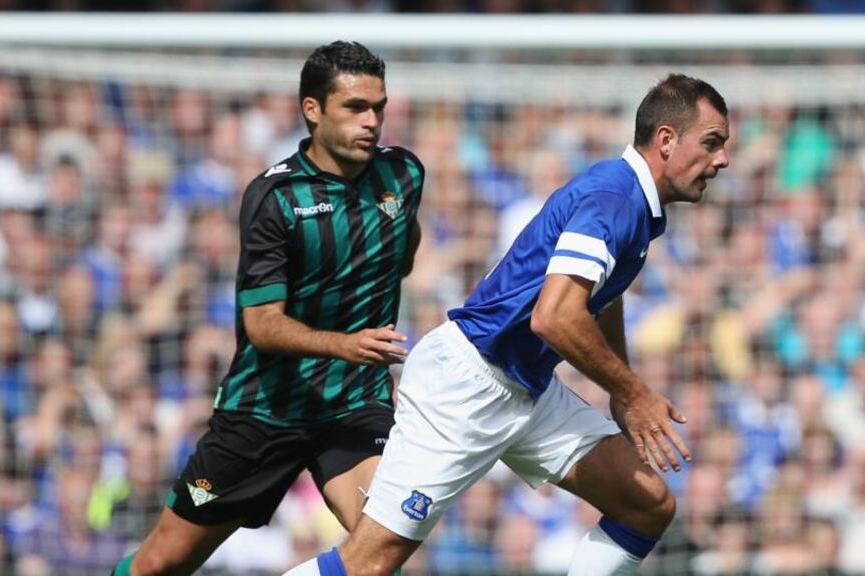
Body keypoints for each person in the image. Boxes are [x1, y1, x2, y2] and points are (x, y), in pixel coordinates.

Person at [286, 73, 730, 576]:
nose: (722, 159)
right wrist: (635, 391)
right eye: (712, 142)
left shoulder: (634, 202)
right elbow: (555, 316)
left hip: (528, 389)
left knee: (647, 503)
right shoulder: (615, 198)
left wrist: (623, 391)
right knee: (369, 563)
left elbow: (597, 298)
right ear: (666, 140)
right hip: (469, 383)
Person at [112, 40, 425, 576]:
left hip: (354, 405)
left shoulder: (403, 175)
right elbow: (262, 325)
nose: (371, 121)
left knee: (385, 545)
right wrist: (344, 344)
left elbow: (403, 249)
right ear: (313, 110)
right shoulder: (274, 197)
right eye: (355, 108)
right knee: (159, 565)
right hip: (264, 410)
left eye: (379, 107)